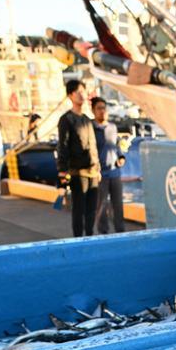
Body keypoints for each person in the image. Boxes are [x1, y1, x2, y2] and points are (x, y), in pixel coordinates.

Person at [57, 80, 101, 238]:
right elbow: (62, 145)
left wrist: (98, 167)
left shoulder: (87, 120)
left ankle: (90, 237)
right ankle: (78, 239)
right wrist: (62, 171)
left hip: (92, 172)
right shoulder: (66, 120)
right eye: (78, 92)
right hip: (78, 172)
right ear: (70, 95)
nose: (82, 94)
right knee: (79, 209)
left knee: (91, 210)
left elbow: (93, 145)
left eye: (83, 91)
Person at [91, 96, 126, 234]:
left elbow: (116, 145)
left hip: (115, 173)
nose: (102, 111)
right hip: (100, 175)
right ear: (93, 110)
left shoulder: (112, 127)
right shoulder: (90, 128)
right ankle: (103, 234)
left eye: (104, 108)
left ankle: (121, 232)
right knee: (101, 206)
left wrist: (121, 157)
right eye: (99, 108)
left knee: (118, 205)